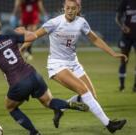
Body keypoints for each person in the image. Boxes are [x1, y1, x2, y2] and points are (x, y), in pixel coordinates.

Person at [0, 12, 89, 135]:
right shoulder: (10, 35)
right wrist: (24, 31)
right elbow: (33, 37)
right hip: (33, 75)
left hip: (18, 82)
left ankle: (34, 132)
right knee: (48, 102)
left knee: (10, 107)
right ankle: (67, 104)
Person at [19, 0, 128, 133]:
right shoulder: (55, 22)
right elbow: (34, 35)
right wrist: (21, 48)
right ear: (64, 8)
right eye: (68, 8)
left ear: (78, 9)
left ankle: (60, 108)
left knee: (91, 97)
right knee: (83, 90)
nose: (70, 11)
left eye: (73, 8)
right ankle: (109, 124)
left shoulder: (81, 22)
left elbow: (95, 39)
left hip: (74, 63)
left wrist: (113, 53)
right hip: (57, 64)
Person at [115, 0, 136, 92]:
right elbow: (118, 17)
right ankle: (122, 86)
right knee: (123, 60)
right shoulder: (126, 2)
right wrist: (123, 26)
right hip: (126, 36)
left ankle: (135, 86)